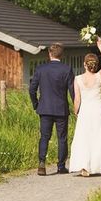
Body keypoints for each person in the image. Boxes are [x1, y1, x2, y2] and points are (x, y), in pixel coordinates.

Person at [29, 43, 75, 176]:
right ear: (62, 55)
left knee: (44, 137)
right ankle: (61, 166)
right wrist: (77, 106)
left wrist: (36, 104)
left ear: (49, 54)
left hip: (44, 108)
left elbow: (32, 89)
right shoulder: (67, 69)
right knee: (62, 138)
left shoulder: (41, 69)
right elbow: (72, 91)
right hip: (61, 109)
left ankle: (41, 163)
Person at [69, 37, 101, 176]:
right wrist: (99, 45)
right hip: (98, 110)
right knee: (99, 137)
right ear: (95, 65)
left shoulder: (78, 79)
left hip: (86, 111)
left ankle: (84, 166)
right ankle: (98, 166)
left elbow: (77, 99)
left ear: (84, 64)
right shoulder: (99, 76)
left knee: (84, 138)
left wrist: (76, 112)